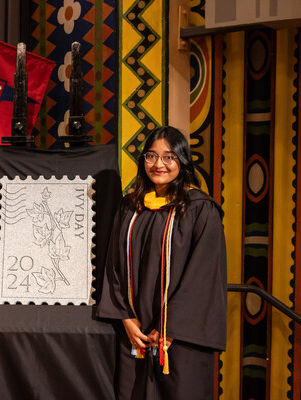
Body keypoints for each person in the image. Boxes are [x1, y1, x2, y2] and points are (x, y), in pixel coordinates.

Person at [96, 126, 227, 399]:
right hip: (136, 336)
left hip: (179, 339)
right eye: (151, 156)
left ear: (182, 160)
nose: (158, 164)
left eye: (169, 157)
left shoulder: (200, 209)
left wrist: (170, 329)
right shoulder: (130, 207)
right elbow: (114, 266)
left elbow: (203, 277)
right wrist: (126, 318)